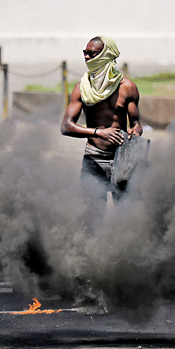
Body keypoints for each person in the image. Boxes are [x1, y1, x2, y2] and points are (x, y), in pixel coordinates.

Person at [60, 35, 142, 231]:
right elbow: (66, 126)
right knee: (93, 216)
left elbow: (137, 124)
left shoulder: (127, 87)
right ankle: (92, 248)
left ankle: (122, 247)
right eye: (85, 53)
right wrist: (98, 132)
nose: (86, 57)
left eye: (92, 53)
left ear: (106, 55)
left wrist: (135, 131)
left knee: (126, 215)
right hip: (93, 159)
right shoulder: (82, 88)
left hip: (122, 159)